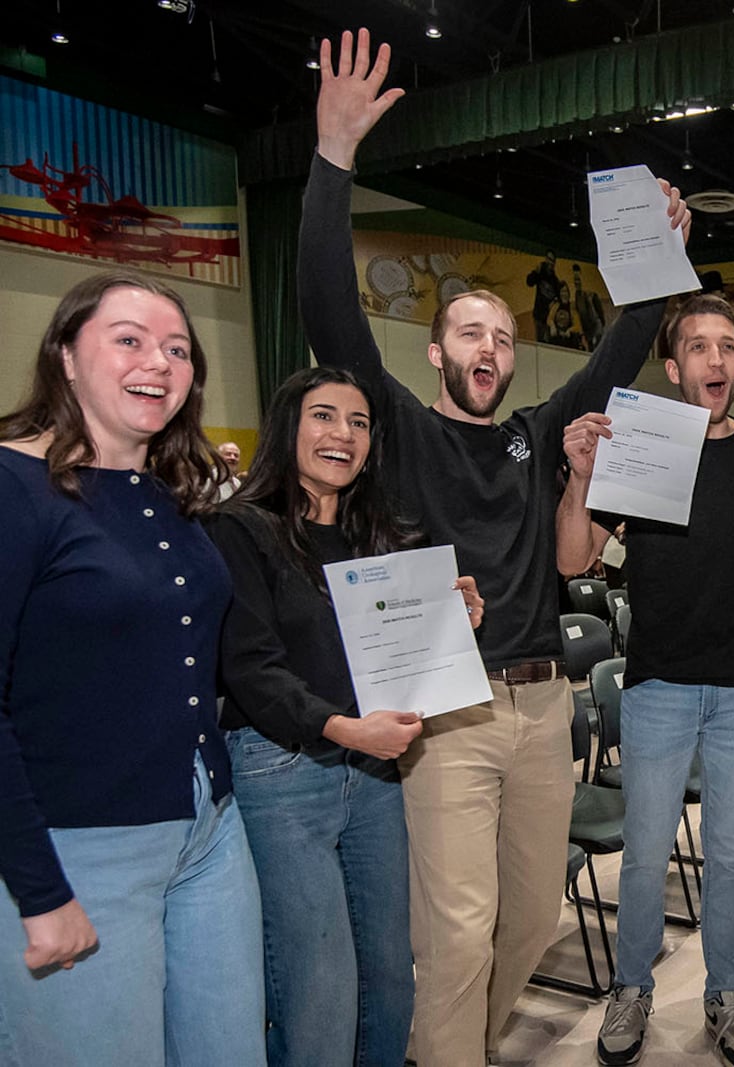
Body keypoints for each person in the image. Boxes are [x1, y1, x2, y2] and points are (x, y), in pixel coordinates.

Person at [299, 29, 690, 1066]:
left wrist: (653, 258)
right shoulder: (398, 428)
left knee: (527, 923)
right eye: (470, 334)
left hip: (542, 703)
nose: (488, 350)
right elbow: (327, 309)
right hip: (446, 719)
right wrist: (333, 156)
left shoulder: (530, 436)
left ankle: (457, 1048)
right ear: (434, 351)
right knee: (459, 932)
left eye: (503, 338)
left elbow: (616, 352)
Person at [0, 271, 266, 1066]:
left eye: (178, 348)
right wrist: (38, 891)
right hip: (79, 845)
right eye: (129, 339)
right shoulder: (16, 488)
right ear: (66, 355)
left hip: (209, 829)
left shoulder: (169, 496)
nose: (158, 360)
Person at [210, 366, 483, 1066]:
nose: (343, 434)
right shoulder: (241, 529)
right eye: (324, 416)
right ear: (287, 427)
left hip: (372, 773)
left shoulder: (380, 535)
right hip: (282, 771)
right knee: (319, 983)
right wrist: (341, 726)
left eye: (359, 422)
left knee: (392, 973)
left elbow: (396, 662)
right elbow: (251, 667)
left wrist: (453, 625)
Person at [577, 293, 734, 1067]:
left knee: (730, 848)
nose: (717, 359)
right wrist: (581, 474)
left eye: (729, 345)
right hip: (658, 685)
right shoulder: (641, 445)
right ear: (673, 368)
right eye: (700, 347)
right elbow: (575, 557)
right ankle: (632, 987)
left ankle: (726, 989)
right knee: (644, 851)